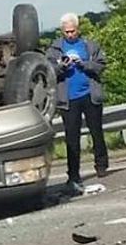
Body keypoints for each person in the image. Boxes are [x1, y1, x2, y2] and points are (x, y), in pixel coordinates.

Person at [46, 13, 109, 195]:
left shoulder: (89, 45)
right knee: (71, 138)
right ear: (62, 31)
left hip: (89, 95)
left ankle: (101, 164)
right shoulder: (54, 49)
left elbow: (100, 65)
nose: (70, 35)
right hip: (69, 99)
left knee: (96, 131)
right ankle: (73, 174)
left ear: (78, 29)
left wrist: (83, 64)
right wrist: (62, 66)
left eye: (73, 31)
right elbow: (49, 71)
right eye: (66, 32)